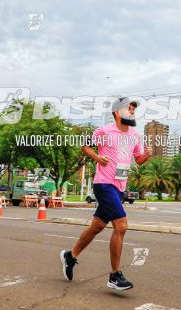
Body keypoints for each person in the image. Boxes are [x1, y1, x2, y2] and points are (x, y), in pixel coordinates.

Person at [60, 97, 152, 291]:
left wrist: (147, 155)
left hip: (119, 187)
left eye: (134, 109)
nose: (133, 111)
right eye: (129, 108)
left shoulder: (134, 135)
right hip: (104, 184)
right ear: (117, 112)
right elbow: (85, 147)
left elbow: (139, 159)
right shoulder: (104, 131)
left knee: (97, 227)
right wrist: (97, 157)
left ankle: (71, 255)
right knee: (121, 226)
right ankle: (114, 275)